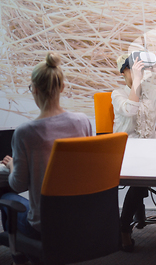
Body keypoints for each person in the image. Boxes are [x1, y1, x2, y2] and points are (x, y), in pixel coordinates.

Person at [0, 52, 92, 264]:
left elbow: (18, 184)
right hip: (80, 223)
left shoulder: (25, 132)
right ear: (61, 87)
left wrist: (13, 165)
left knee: (7, 200)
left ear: (34, 89)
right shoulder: (83, 122)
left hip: (43, 228)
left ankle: (22, 257)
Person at [112, 52, 156, 251]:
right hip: (126, 152)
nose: (141, 73)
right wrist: (136, 81)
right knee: (140, 183)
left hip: (151, 151)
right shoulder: (117, 94)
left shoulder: (152, 92)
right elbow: (130, 109)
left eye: (142, 69)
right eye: (135, 69)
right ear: (125, 71)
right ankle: (124, 229)